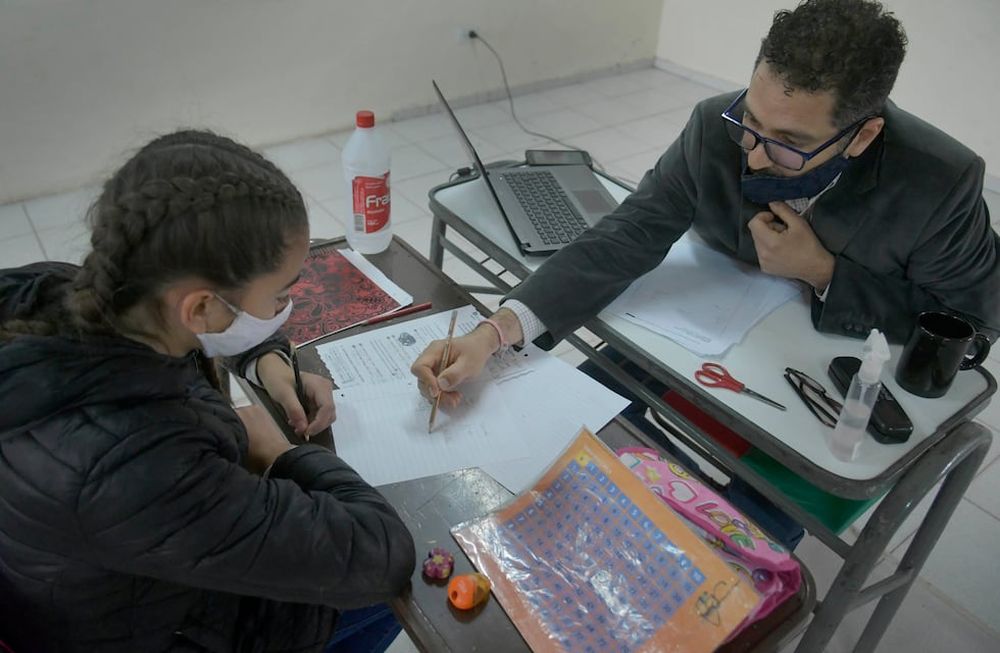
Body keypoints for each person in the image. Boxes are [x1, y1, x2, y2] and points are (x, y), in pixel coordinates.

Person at [412, 0, 1000, 548]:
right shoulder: (713, 125)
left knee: (751, 530)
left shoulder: (937, 180)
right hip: (704, 331)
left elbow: (972, 324)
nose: (755, 154)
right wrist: (491, 334)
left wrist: (824, 273)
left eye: (790, 144)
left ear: (863, 135)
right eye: (751, 121)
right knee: (574, 428)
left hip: (822, 376)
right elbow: (626, 235)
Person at [0, 130, 415, 652]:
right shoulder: (138, 467)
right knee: (401, 589)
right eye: (281, 295)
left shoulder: (54, 292)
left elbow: (199, 326)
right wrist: (280, 454)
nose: (284, 308)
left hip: (91, 586)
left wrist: (264, 357)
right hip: (151, 628)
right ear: (200, 308)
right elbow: (379, 555)